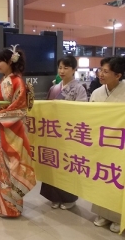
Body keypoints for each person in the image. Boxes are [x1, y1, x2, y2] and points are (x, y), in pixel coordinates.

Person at [0, 46, 36, 218]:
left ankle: (12, 207)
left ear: (10, 61)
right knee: (0, 166)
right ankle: (2, 205)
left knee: (11, 166)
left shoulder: (17, 81)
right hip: (0, 129)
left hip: (12, 131)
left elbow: (20, 108)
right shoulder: (3, 81)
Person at [40, 55, 88, 210]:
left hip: (69, 134)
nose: (62, 70)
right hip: (54, 133)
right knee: (53, 163)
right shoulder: (54, 88)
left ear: (74, 70)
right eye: (60, 67)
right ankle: (54, 196)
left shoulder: (79, 88)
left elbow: (81, 111)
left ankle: (69, 198)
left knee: (68, 164)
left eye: (66, 67)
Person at [90, 56, 125, 233]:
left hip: (120, 146)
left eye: (105, 71)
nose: (100, 74)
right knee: (102, 177)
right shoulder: (96, 93)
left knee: (118, 180)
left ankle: (119, 216)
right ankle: (103, 213)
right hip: (101, 145)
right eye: (100, 70)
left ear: (118, 75)